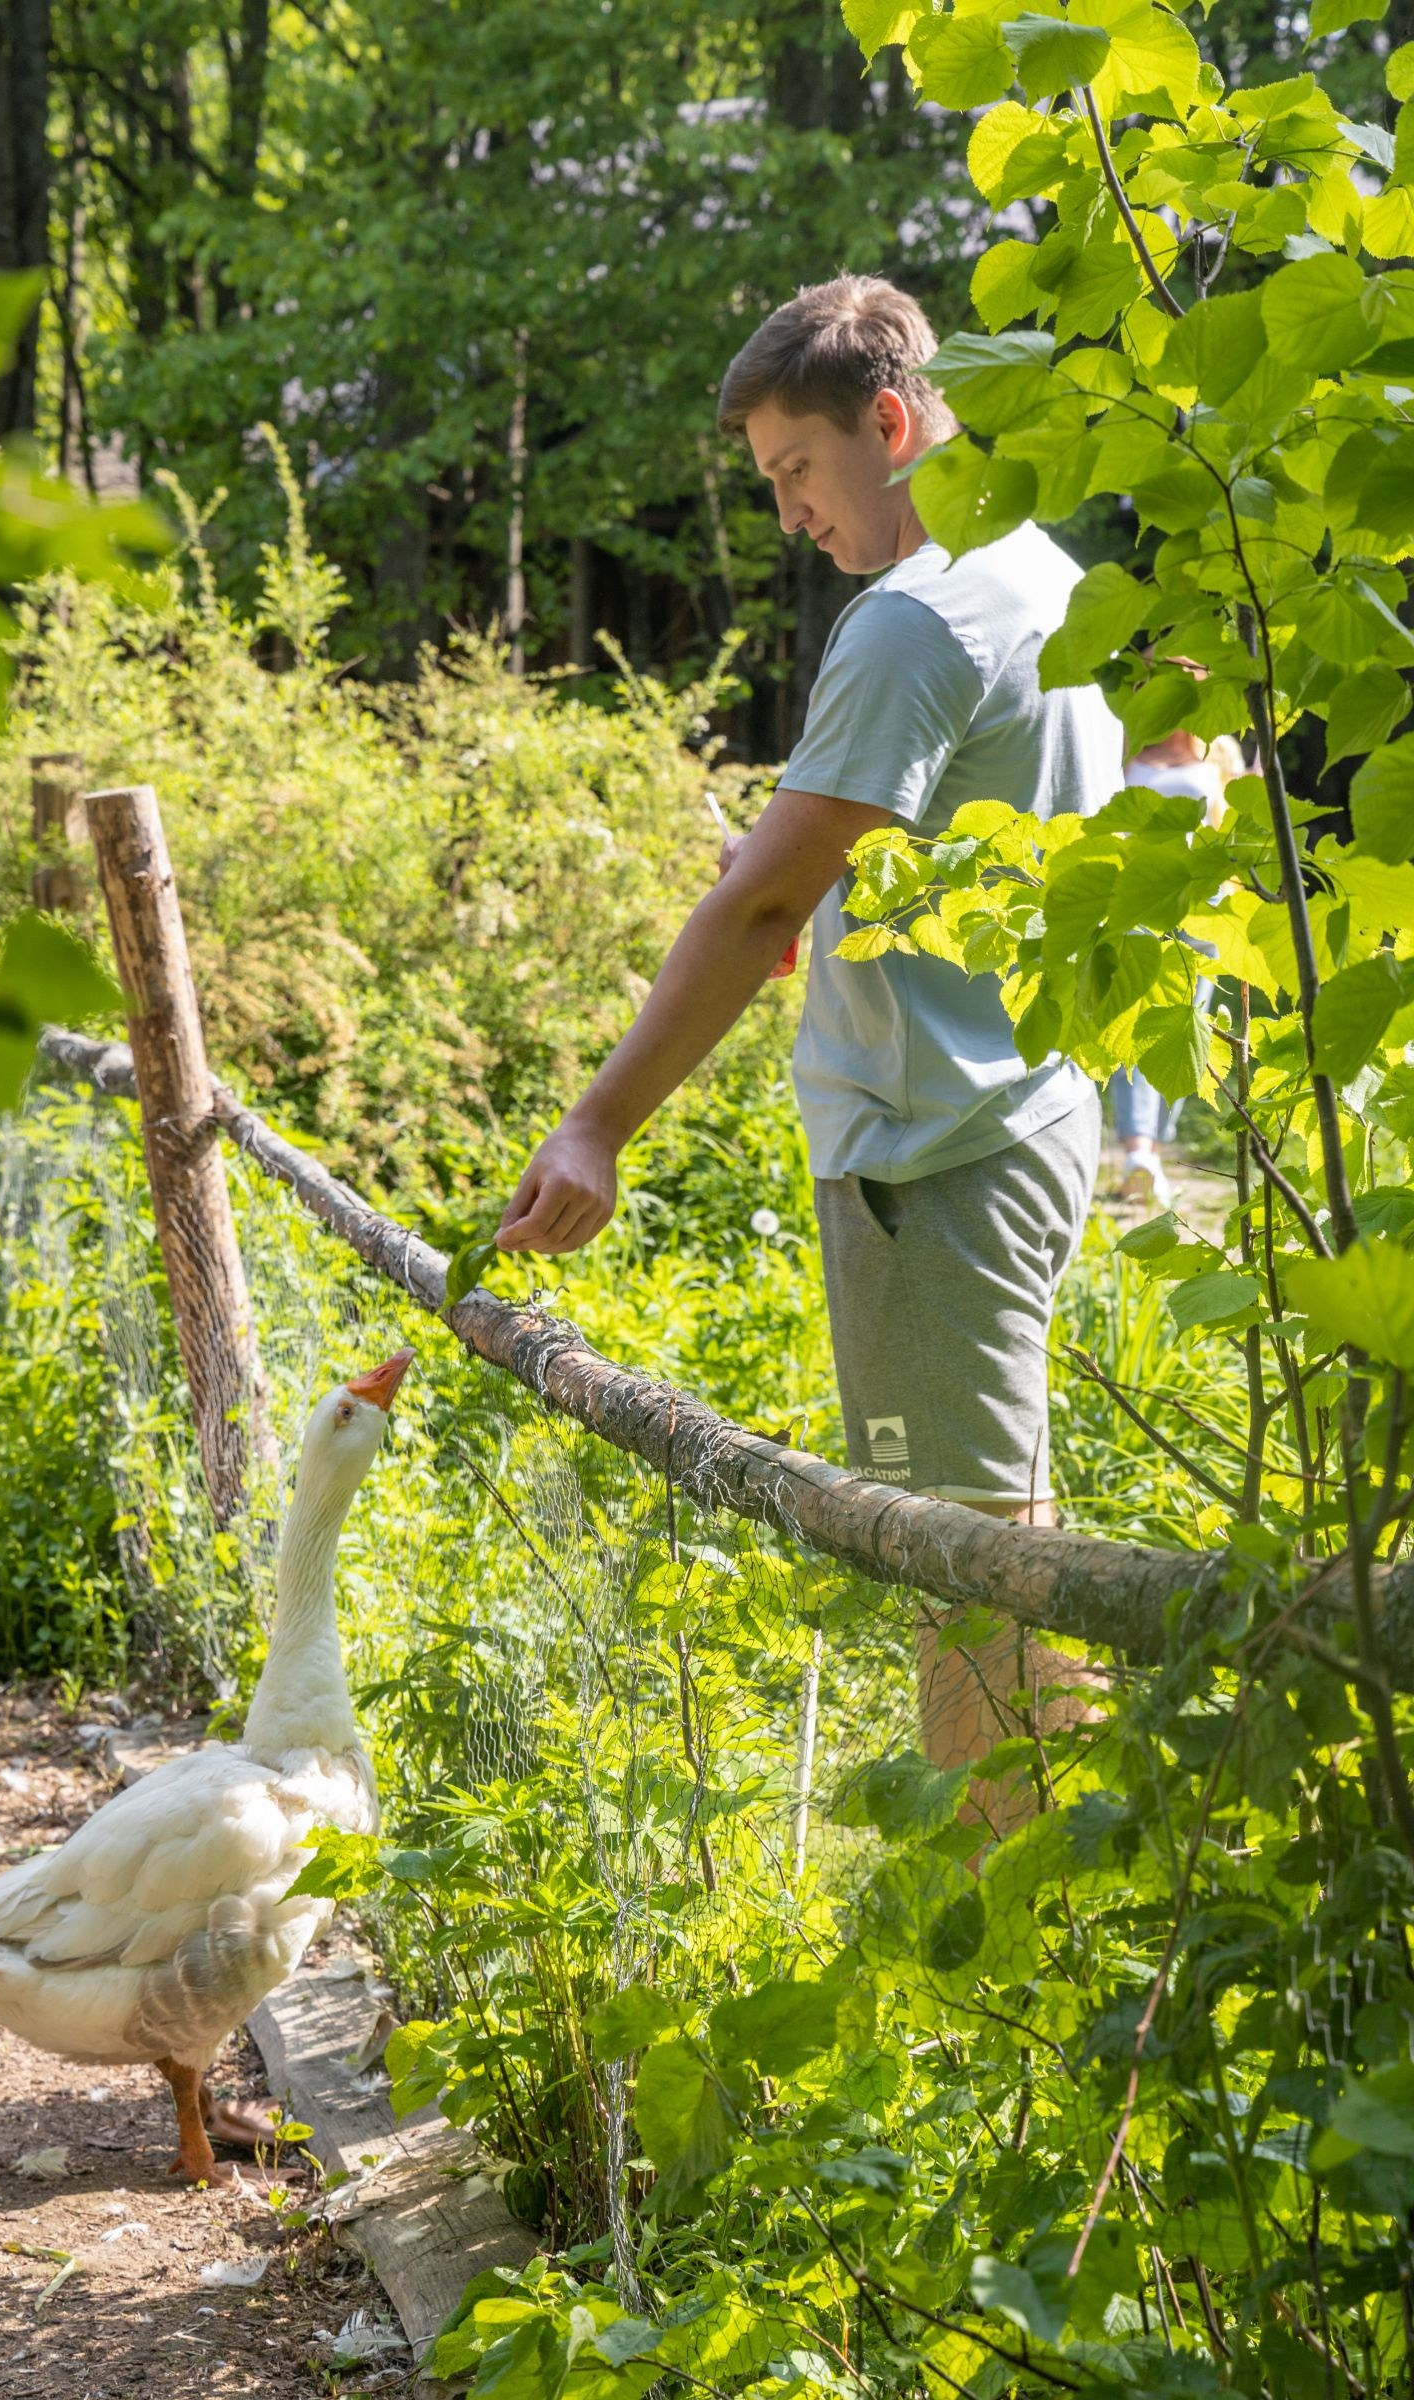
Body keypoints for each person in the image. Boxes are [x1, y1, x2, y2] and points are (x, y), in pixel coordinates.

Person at [495, 273, 1122, 1800]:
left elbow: (764, 903)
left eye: (795, 473)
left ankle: (1021, 1940)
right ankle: (1085, 1888)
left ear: (891, 424)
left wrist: (594, 1128)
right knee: (1006, 1532)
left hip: (935, 1156)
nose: (787, 516)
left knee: (963, 1569)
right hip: (1028, 1110)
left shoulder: (911, 621)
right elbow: (916, 860)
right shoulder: (1037, 571)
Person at [1111, 728, 1242, 1210]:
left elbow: (1233, 824)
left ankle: (1149, 1151)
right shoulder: (1124, 746)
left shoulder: (1220, 752)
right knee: (1136, 1024)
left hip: (1204, 901)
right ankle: (1138, 1152)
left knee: (1187, 1029)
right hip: (1139, 897)